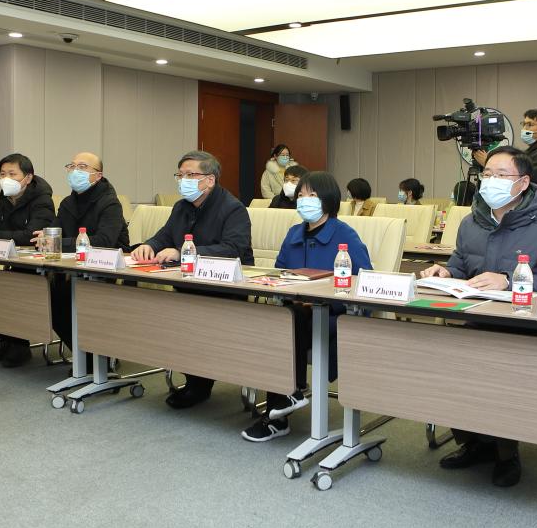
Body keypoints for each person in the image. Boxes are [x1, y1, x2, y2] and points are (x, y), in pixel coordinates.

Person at [420, 146, 537, 487]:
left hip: (525, 328)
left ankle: (506, 452)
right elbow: (461, 264)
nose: (490, 180)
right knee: (445, 359)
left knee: (498, 365)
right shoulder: (471, 222)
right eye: (487, 174)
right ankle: (473, 441)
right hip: (477, 320)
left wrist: (509, 280)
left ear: (523, 182)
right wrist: (445, 272)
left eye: (501, 175)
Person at [241, 171, 373, 441]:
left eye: (311, 195)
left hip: (333, 317)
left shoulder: (345, 236)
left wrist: (324, 302)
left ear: (328, 199)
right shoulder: (293, 233)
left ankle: (287, 399)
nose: (304, 200)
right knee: (277, 318)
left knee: (291, 318)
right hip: (293, 313)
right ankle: (285, 400)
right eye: (300, 195)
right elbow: (278, 275)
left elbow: (365, 285)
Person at [131, 150, 254, 408]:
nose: (182, 180)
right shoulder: (182, 207)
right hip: (189, 284)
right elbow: (164, 236)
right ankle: (194, 379)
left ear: (210, 180)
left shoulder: (233, 208)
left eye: (190, 175)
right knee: (168, 315)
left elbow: (234, 249)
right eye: (180, 175)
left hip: (224, 289)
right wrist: (149, 245)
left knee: (190, 317)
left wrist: (184, 252)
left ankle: (199, 384)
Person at [37, 152, 129, 352]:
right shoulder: (67, 203)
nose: (75, 171)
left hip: (105, 268)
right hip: (72, 267)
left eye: (83, 167)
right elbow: (54, 232)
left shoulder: (110, 203)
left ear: (98, 175)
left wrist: (58, 242)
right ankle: (82, 353)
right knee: (48, 294)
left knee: (62, 296)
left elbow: (104, 241)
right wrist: (45, 237)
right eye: (72, 166)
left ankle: (96, 355)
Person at [0, 153, 55, 367]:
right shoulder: (6, 195)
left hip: (35, 264)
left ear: (28, 178)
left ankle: (19, 345)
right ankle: (7, 341)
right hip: (12, 259)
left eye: (12, 174)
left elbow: (30, 236)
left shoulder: (43, 200)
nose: (6, 179)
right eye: (2, 174)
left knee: (12, 292)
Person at [478, 109, 537, 208]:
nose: (525, 128)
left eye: (530, 125)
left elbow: (518, 181)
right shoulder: (535, 151)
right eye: (524, 124)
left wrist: (488, 165)